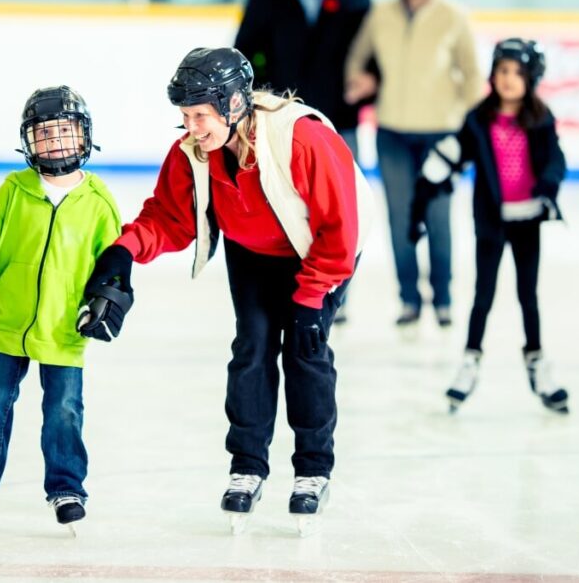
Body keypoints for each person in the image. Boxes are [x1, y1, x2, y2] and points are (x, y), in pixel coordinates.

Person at [80, 47, 371, 534]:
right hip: (253, 252)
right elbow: (169, 218)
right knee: (252, 348)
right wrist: (123, 252)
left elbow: (340, 230)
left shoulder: (302, 139)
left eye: (200, 115)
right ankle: (248, 466)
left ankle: (313, 470)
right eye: (185, 117)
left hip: (318, 252)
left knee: (305, 352)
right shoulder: (193, 151)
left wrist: (312, 298)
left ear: (234, 104)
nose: (192, 127)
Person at [0, 86, 122, 532]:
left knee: (64, 410)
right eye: (45, 134)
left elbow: (113, 261)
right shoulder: (14, 191)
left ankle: (66, 488)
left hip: (64, 329)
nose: (56, 141)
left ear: (84, 137)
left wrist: (107, 298)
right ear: (29, 141)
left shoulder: (98, 203)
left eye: (65, 131)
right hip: (8, 322)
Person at [409, 38, 570, 414]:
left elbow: (555, 160)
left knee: (528, 297)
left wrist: (548, 184)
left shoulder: (542, 119)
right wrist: (424, 191)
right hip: (492, 222)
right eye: (502, 71)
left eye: (517, 72)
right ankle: (470, 360)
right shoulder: (478, 119)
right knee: (483, 296)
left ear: (532, 77)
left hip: (527, 218)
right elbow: (453, 153)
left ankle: (537, 360)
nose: (509, 79)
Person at [345, 0, 484, 330]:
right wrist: (361, 80)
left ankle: (442, 297)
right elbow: (358, 57)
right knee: (400, 218)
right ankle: (408, 298)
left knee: (438, 217)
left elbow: (473, 77)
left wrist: (461, 123)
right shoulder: (381, 13)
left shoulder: (454, 17)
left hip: (440, 136)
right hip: (391, 132)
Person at [234, 0, 371, 161]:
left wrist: (369, 81)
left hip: (339, 122)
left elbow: (371, 53)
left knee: (341, 196)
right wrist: (261, 97)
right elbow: (245, 53)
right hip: (278, 120)